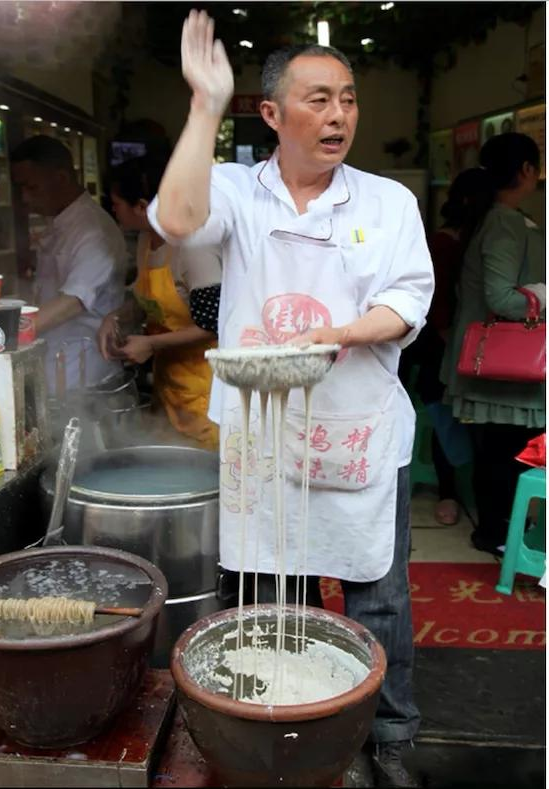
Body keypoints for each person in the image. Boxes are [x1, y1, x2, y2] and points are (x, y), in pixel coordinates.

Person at [149, 11, 434, 787]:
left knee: (376, 590)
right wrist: (205, 104)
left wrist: (335, 333)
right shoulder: (237, 192)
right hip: (263, 432)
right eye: (316, 99)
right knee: (270, 584)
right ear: (271, 113)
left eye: (346, 98)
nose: (337, 114)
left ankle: (390, 735)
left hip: (355, 426)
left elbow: (407, 300)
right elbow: (176, 221)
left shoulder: (383, 202)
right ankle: (279, 721)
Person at [442, 133, 545, 556]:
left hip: (501, 365)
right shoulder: (504, 219)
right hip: (506, 366)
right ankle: (499, 533)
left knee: (501, 451)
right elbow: (501, 297)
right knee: (508, 453)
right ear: (526, 170)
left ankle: (501, 531)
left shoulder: (500, 215)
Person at [98, 155, 221, 450]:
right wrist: (114, 317)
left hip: (207, 391)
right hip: (169, 389)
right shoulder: (146, 240)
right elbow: (148, 300)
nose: (112, 208)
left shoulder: (193, 248)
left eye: (116, 202)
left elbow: (215, 324)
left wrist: (151, 345)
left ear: (142, 207)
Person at [400, 168, 492, 525]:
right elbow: (435, 305)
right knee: (443, 408)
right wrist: (452, 339)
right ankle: (448, 491)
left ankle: (464, 487)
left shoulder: (478, 236)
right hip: (438, 344)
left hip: (465, 341)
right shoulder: (443, 241)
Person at [11, 135, 126, 393]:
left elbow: (73, 301)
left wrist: (5, 334)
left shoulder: (92, 231)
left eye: (32, 187)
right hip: (57, 363)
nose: (25, 198)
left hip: (86, 375)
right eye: (21, 189)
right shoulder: (62, 222)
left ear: (61, 178)